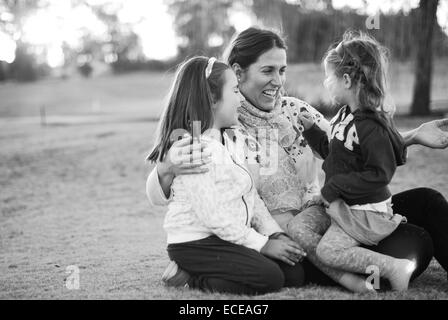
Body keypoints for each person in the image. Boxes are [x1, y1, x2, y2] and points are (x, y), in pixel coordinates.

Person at [146, 27, 448, 291]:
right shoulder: (225, 123)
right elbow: (179, 187)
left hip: (332, 213)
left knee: (427, 200)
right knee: (415, 245)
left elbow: (346, 147)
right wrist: (165, 168)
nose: (278, 81)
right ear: (238, 73)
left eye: (282, 70)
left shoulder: (293, 109)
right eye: (268, 71)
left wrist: (413, 135)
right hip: (297, 235)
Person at [146, 56, 307, 295]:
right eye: (234, 91)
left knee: (294, 274)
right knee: (270, 277)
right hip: (196, 241)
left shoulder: (234, 140)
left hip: (227, 235)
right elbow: (214, 216)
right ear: (212, 99)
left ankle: (218, 268)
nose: (240, 98)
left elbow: (250, 195)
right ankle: (196, 278)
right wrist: (262, 245)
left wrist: (274, 233)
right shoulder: (195, 149)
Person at [297, 31, 417, 292]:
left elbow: (380, 173)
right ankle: (347, 276)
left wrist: (333, 189)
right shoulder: (343, 115)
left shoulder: (370, 125)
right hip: (342, 202)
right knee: (298, 226)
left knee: (328, 252)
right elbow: (334, 155)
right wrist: (311, 131)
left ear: (347, 80)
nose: (326, 82)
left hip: (364, 212)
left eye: (329, 76)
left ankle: (395, 267)